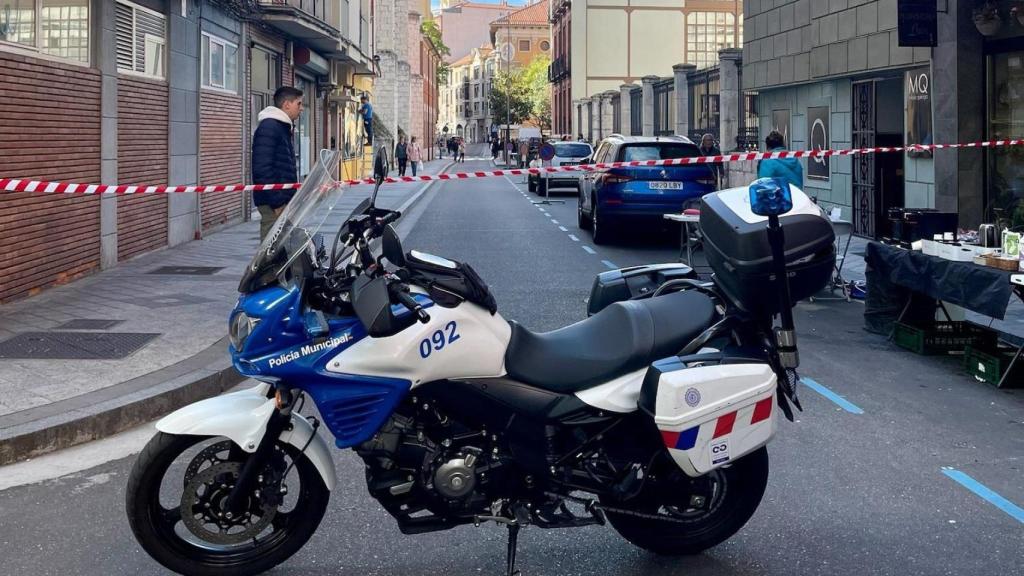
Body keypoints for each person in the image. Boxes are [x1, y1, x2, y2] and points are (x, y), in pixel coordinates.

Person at [252, 86, 303, 241]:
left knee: (282, 250)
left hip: (283, 201)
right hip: (273, 204)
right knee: (270, 252)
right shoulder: (270, 127)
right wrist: (278, 203)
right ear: (287, 104)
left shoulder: (281, 126)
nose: (301, 109)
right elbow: (262, 169)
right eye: (298, 104)